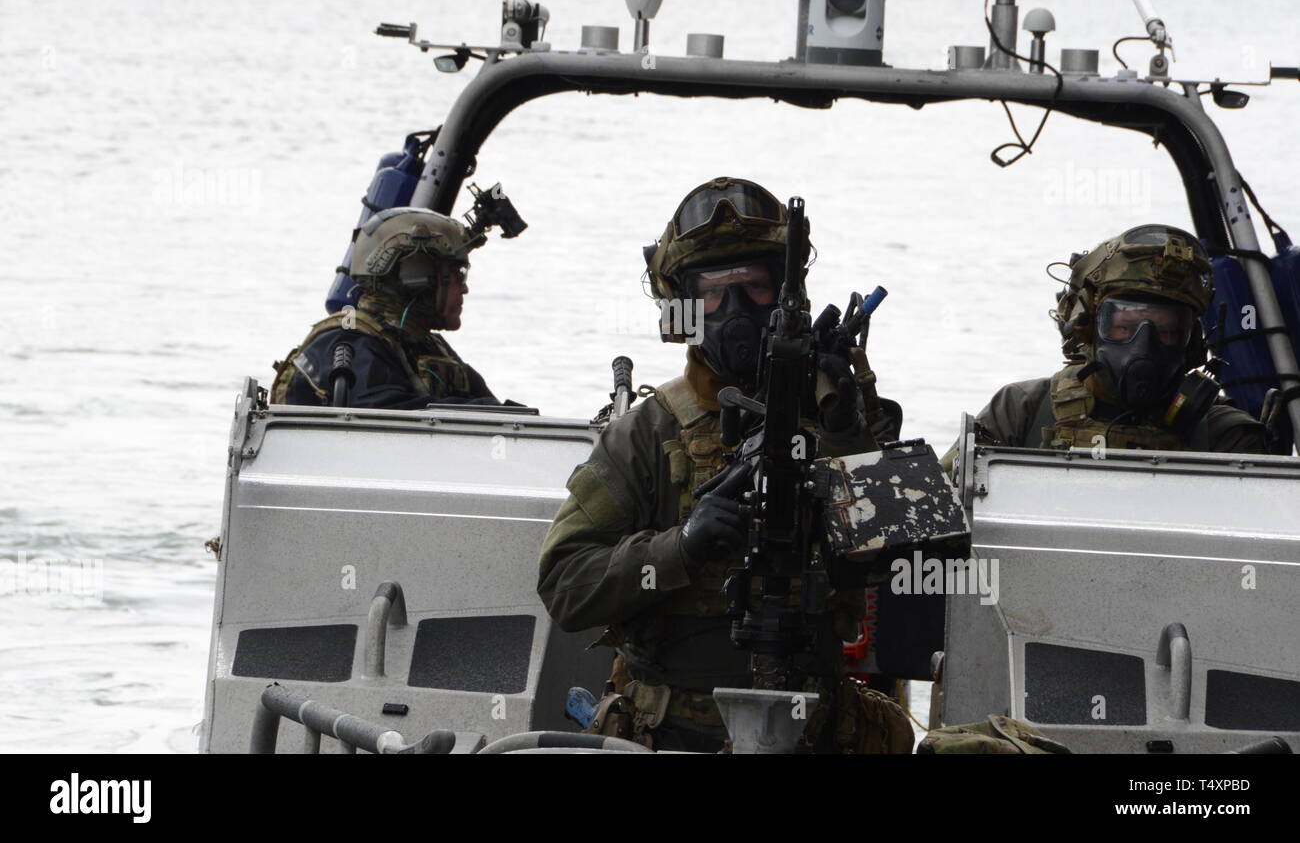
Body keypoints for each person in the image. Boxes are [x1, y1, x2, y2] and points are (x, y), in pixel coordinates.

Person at [536, 177, 909, 753]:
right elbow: (565, 586)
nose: (734, 311)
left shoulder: (844, 412)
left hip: (816, 731)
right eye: (712, 292)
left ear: (786, 293)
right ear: (682, 307)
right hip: (669, 736)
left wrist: (845, 431)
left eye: (755, 286)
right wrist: (678, 548)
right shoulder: (648, 431)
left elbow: (914, 560)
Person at [943, 223, 1267, 469]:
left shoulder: (1226, 437)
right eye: (1124, 326)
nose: (1144, 347)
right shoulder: (1022, 411)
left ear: (1192, 344)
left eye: (1166, 330)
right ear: (1088, 327)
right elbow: (941, 519)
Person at [271, 207, 498, 408]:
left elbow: (498, 413)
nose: (465, 289)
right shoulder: (351, 339)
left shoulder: (430, 347)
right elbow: (381, 421)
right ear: (418, 279)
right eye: (458, 275)